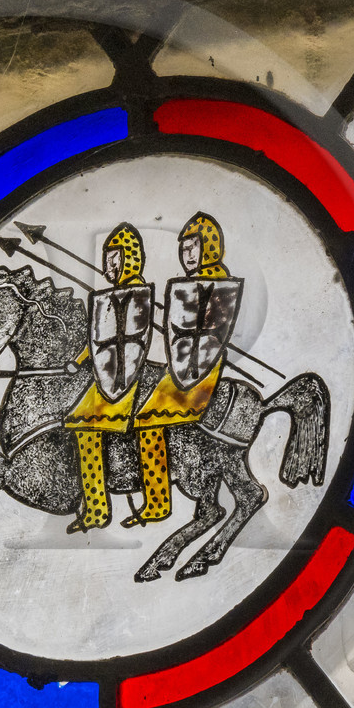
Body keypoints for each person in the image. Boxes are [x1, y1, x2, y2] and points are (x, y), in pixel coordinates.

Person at [128, 212, 242, 526]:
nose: (187, 254)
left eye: (193, 247)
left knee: (147, 420)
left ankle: (157, 503)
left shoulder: (217, 285)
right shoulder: (193, 285)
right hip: (183, 368)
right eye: (184, 248)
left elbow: (204, 340)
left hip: (200, 374)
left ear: (210, 247)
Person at [63, 223, 153, 533]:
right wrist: (78, 362)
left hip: (129, 376)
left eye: (115, 258)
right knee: (81, 425)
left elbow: (130, 340)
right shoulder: (111, 296)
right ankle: (97, 509)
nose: (109, 265)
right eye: (107, 259)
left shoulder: (137, 294)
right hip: (109, 374)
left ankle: (100, 509)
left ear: (130, 259)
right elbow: (100, 340)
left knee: (87, 429)